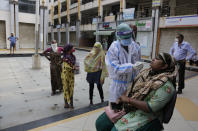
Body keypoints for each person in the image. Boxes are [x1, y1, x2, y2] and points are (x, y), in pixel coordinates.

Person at [96, 53, 177, 131]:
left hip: (148, 114)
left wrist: (128, 100)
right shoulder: (145, 73)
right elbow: (131, 87)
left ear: (165, 66)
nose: (153, 59)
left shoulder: (167, 86)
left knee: (117, 129)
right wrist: (121, 99)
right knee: (101, 123)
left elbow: (151, 107)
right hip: (131, 106)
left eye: (157, 59)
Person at [105, 23, 143, 105]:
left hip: (132, 85)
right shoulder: (113, 48)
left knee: (129, 110)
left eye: (128, 37)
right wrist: (132, 67)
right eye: (124, 38)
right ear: (118, 36)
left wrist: (139, 66)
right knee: (116, 111)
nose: (127, 40)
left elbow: (138, 62)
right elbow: (115, 68)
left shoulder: (136, 46)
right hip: (118, 86)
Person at [61, 44, 76, 109]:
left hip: (71, 76)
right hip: (65, 75)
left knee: (71, 89)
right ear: (69, 49)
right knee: (66, 88)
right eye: (73, 47)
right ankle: (67, 104)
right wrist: (73, 68)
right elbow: (67, 66)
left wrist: (74, 67)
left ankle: (69, 103)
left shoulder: (73, 56)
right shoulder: (65, 57)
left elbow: (74, 64)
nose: (74, 48)